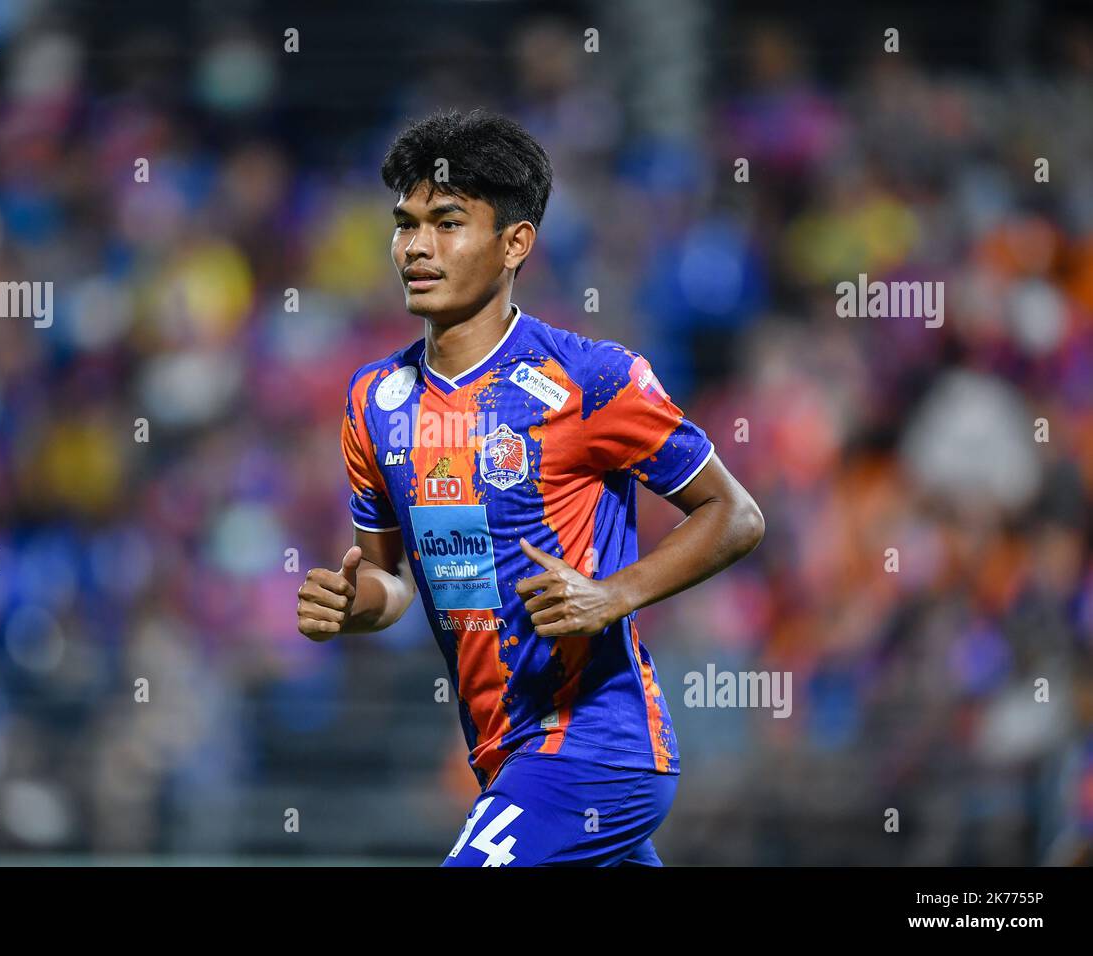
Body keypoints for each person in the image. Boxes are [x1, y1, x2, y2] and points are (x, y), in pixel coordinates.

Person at [297, 108, 764, 866]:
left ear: (515, 242)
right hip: (502, 756)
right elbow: (389, 577)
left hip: (595, 748)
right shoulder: (373, 401)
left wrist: (614, 594)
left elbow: (735, 515)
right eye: (405, 223)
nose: (416, 246)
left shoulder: (590, 378)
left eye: (447, 222)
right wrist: (358, 606)